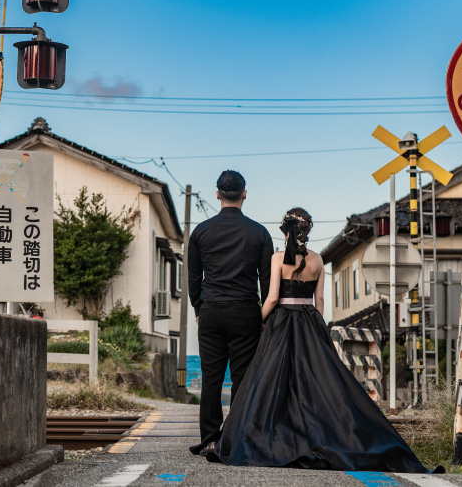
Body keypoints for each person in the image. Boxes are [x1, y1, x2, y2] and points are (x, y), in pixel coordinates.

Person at [207, 207, 442, 473]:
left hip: (282, 322)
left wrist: (259, 320)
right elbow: (319, 301)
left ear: (286, 231)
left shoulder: (277, 259)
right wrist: (315, 326)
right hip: (309, 321)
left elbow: (272, 298)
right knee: (317, 383)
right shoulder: (318, 261)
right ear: (307, 232)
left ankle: (277, 433)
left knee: (272, 382)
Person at [188, 170, 274, 457]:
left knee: (211, 377)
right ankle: (234, 438)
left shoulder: (200, 231)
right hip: (245, 311)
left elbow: (193, 276)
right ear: (244, 194)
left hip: (211, 309)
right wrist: (263, 316)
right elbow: (267, 280)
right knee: (241, 377)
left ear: (217, 194)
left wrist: (199, 308)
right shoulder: (259, 232)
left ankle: (210, 439)